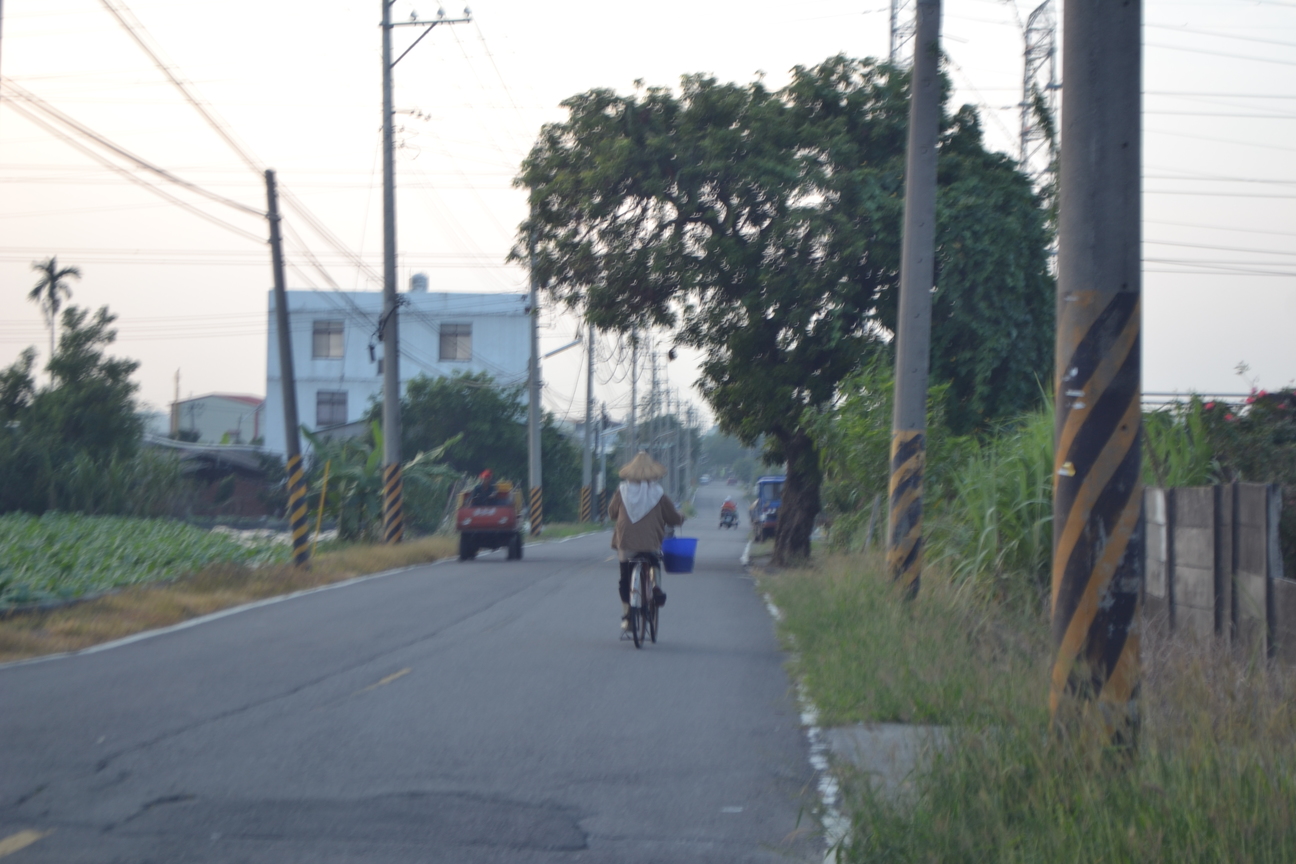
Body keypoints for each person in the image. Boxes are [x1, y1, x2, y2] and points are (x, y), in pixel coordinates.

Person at [607, 451, 684, 631]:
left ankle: (628, 616)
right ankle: (656, 586)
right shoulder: (658, 494)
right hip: (650, 543)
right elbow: (672, 517)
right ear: (652, 474)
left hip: (626, 543)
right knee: (654, 560)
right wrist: (681, 518)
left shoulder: (622, 491)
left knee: (624, 578)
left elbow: (611, 513)